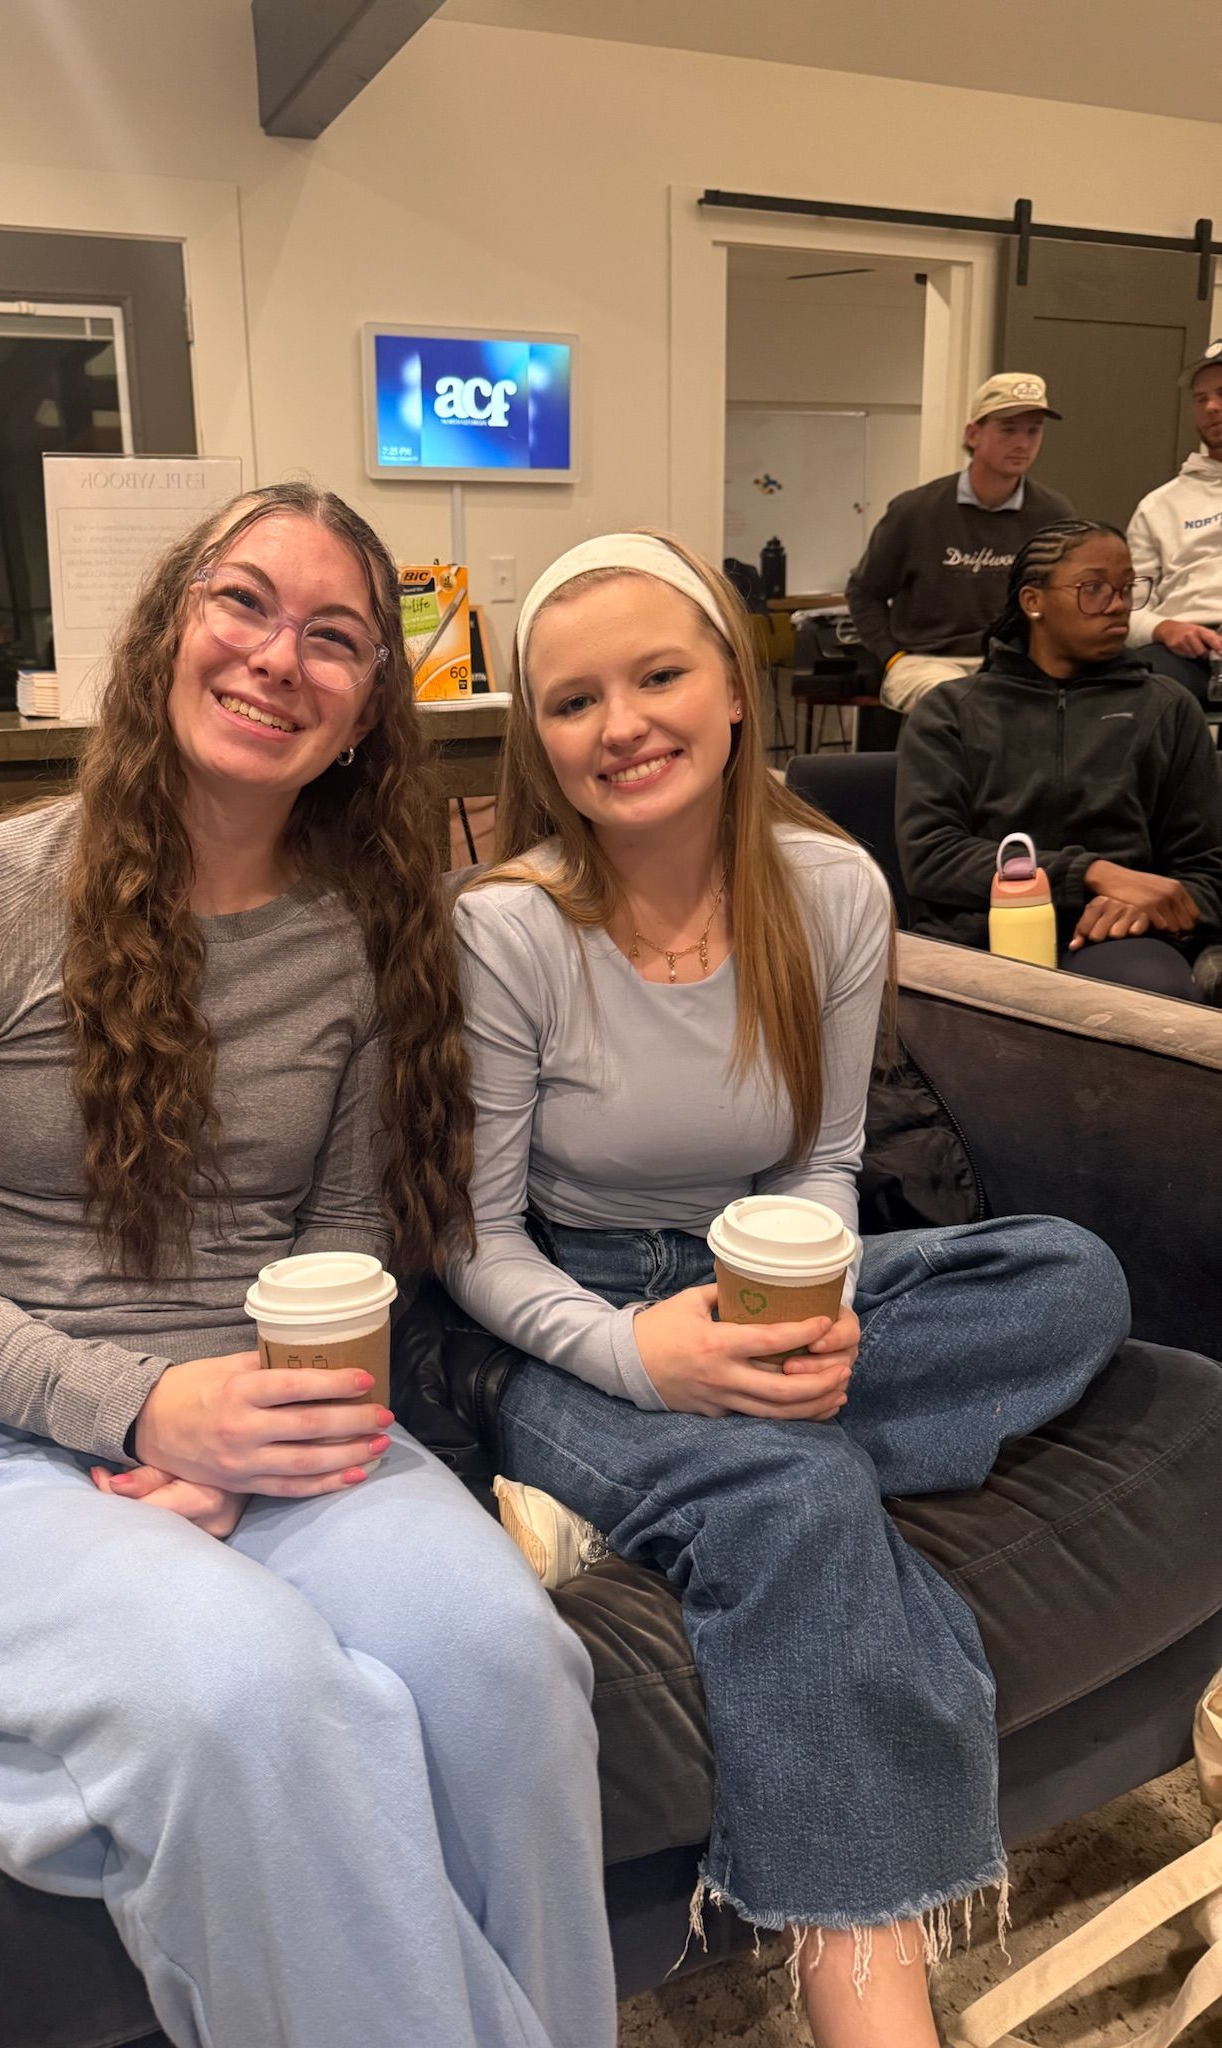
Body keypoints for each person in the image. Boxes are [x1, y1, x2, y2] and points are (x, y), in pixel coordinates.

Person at [0, 483, 617, 2048]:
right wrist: (149, 1412)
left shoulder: (365, 935)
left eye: (336, 636)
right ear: (167, 626)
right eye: (243, 601)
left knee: (508, 1663)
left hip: (274, 1424)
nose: (277, 657)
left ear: (369, 710)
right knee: (247, 1692)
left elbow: (343, 1247)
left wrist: (246, 1434)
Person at [444, 530, 1131, 2048]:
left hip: (761, 1270)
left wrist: (806, 1308)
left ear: (734, 688)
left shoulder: (830, 889)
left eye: (659, 675)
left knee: (1069, 1279)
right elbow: (470, 1244)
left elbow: (822, 1162)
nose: (622, 724)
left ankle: (657, 1481)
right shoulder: (505, 927)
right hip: (573, 1319)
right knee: (801, 1496)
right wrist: (643, 1358)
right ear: (537, 739)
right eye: (574, 701)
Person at [896, 519, 1222, 1003]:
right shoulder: (951, 710)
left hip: (1117, 937)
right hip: (977, 931)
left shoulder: (1167, 707)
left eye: (1127, 588)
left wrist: (1143, 906)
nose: (1118, 604)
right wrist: (1090, 873)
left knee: (1151, 993)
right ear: (1033, 602)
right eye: (1094, 589)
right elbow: (931, 857)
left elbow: (1206, 872)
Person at [847, 373, 1073, 713]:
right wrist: (892, 657)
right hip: (925, 661)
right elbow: (864, 592)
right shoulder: (915, 511)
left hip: (1015, 662)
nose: (1022, 443)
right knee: (959, 705)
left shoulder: (1053, 514)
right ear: (973, 434)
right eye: (1008, 429)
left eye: (1033, 430)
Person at [1126, 337, 1222, 708]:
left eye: (1221, 394)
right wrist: (1164, 628)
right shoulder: (1159, 506)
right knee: (1136, 688)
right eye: (1201, 399)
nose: (1211, 407)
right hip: (1183, 650)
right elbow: (1128, 612)